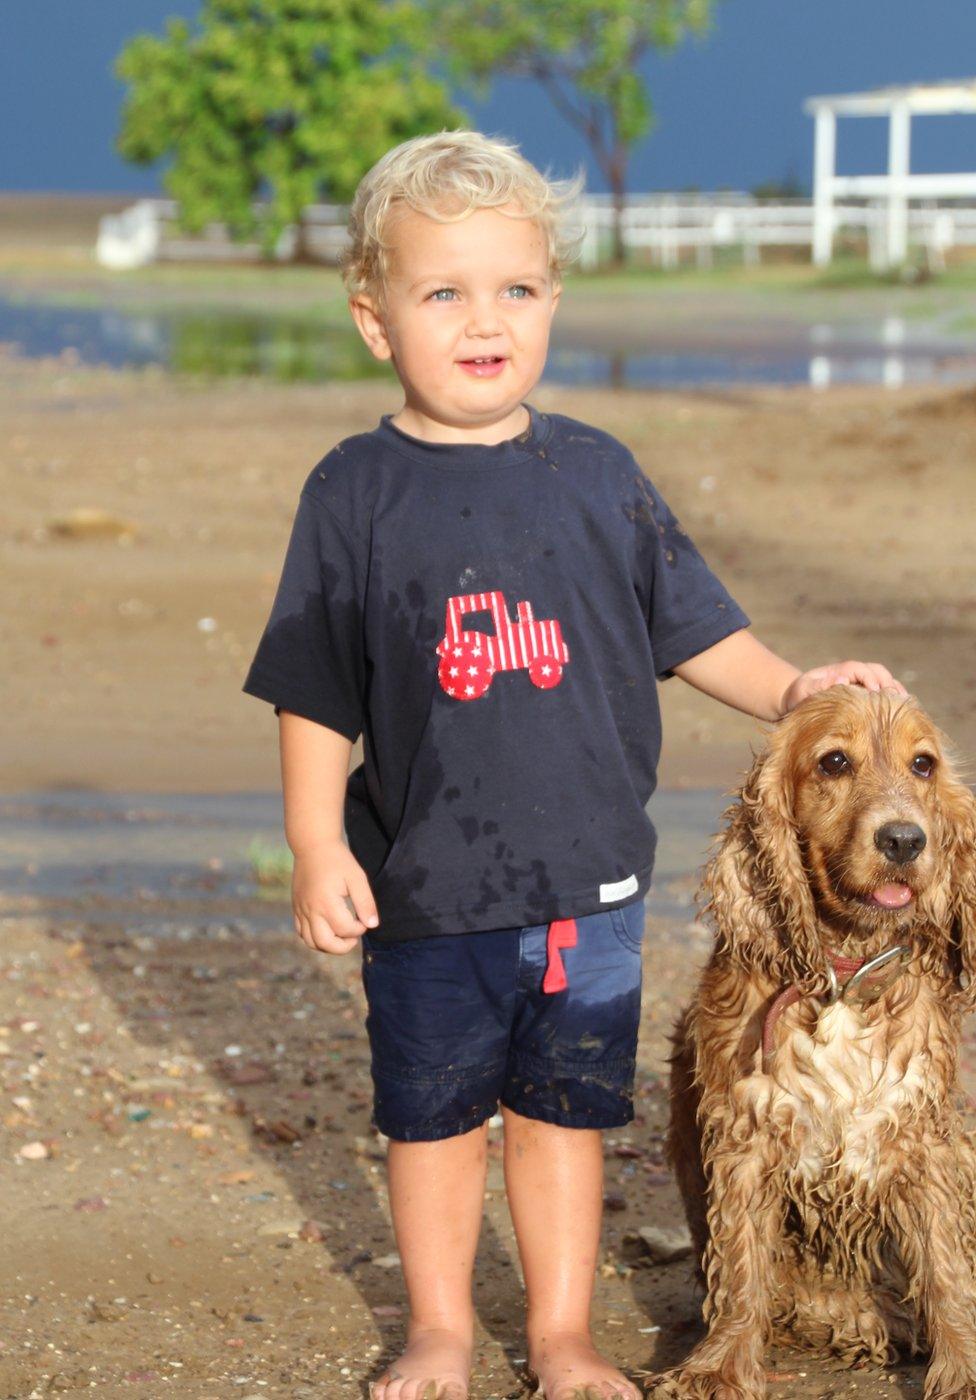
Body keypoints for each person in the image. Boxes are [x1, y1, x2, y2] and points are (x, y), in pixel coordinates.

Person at [241, 129, 906, 1400]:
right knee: (432, 1118)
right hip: (426, 884)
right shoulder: (355, 491)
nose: (483, 320)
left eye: (516, 289)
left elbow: (696, 628)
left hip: (589, 883)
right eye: (442, 291)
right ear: (375, 319)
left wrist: (795, 687)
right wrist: (317, 842)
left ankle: (559, 1335)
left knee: (563, 1114)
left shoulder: (598, 474)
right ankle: (439, 1325)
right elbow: (314, 687)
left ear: (552, 297)